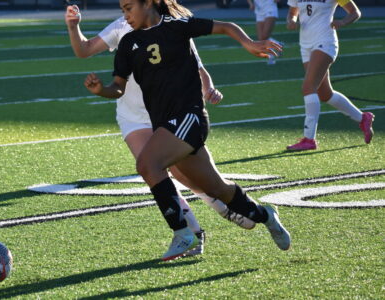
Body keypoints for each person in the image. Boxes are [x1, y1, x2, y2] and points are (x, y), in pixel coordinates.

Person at [83, 0, 291, 260]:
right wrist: (100, 90)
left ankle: (183, 233)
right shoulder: (128, 43)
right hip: (166, 124)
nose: (125, 16)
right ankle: (264, 214)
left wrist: (249, 43)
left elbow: (226, 26)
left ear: (148, 3)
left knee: (148, 165)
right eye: (122, 10)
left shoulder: (177, 26)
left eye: (128, 8)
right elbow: (118, 88)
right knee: (219, 189)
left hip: (189, 117)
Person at [286, 0, 374, 151]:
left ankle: (309, 139)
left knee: (308, 87)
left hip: (325, 42)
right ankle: (363, 118)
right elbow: (292, 13)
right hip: (305, 44)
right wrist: (292, 21)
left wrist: (342, 22)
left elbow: (355, 12)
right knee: (325, 94)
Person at [246, 0, 282, 64]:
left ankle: (271, 57)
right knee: (261, 39)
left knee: (265, 35)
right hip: (259, 10)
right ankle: (278, 44)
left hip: (270, 8)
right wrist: (251, 4)